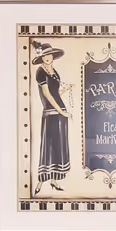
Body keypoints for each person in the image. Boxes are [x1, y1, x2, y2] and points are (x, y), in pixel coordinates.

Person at [33, 42, 70, 195]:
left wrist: (65, 91)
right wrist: (61, 112)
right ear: (41, 57)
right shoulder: (41, 72)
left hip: (59, 111)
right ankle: (40, 182)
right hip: (51, 112)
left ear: (52, 56)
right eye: (44, 55)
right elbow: (47, 95)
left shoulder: (54, 71)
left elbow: (54, 93)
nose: (47, 58)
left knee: (58, 146)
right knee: (48, 145)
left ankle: (54, 181)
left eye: (49, 55)